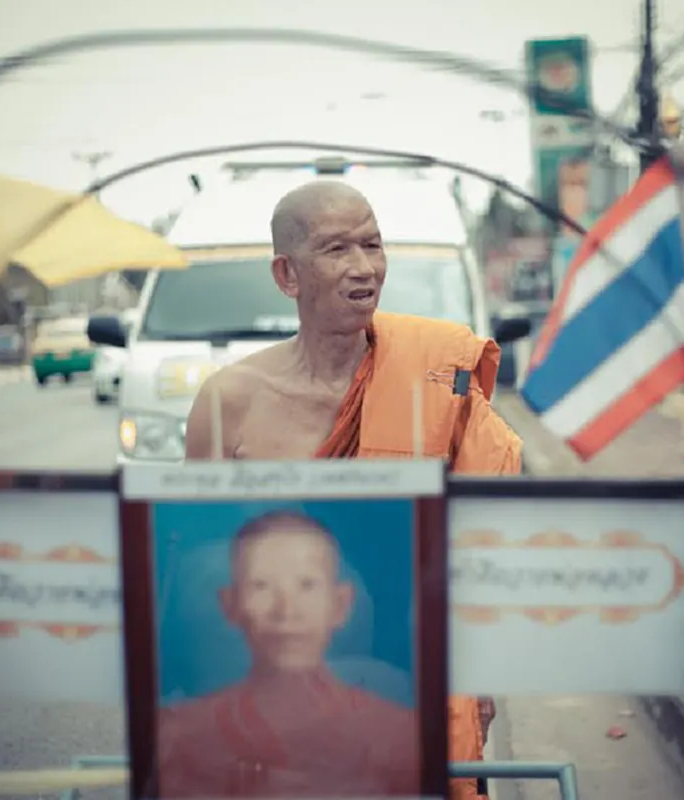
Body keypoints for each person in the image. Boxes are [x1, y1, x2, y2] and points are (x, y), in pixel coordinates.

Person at [184, 179, 522, 800]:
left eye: (373, 245)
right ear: (288, 275)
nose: (364, 269)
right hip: (271, 691)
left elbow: (479, 544)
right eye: (338, 250)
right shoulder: (229, 402)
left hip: (410, 674)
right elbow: (203, 566)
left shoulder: (434, 378)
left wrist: (480, 680)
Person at [157, 510, 420, 797]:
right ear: (230, 604)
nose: (286, 611)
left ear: (340, 603)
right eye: (261, 586)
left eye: (307, 585)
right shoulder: (182, 738)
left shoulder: (396, 733)